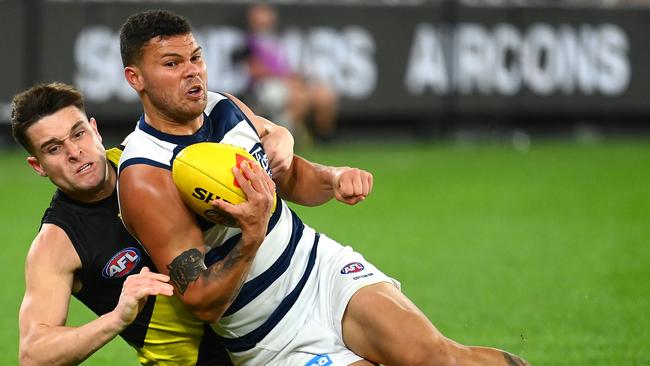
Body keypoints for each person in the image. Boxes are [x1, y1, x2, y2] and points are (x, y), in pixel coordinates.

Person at [117, 9, 531, 366]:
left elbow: (289, 175)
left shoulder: (223, 106)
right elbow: (202, 301)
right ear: (135, 78)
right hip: (270, 336)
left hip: (322, 271)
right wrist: (251, 237)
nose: (192, 72)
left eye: (196, 57)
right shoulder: (146, 174)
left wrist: (332, 178)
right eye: (172, 64)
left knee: (436, 357)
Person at [11, 82, 292, 365]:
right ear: (38, 166)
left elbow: (259, 131)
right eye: (54, 148)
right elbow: (34, 355)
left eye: (78, 133)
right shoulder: (57, 242)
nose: (74, 151)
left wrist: (281, 134)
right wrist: (116, 318)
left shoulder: (151, 156)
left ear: (94, 129)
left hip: (270, 334)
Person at [244, 3, 339, 144]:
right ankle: (287, 133)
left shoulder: (275, 42)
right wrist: (286, 79)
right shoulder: (247, 42)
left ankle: (310, 135)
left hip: (282, 83)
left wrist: (294, 79)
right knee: (299, 95)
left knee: (321, 94)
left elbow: (289, 68)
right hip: (263, 87)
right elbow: (254, 70)